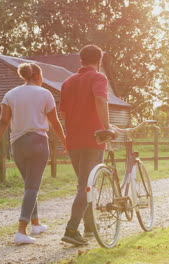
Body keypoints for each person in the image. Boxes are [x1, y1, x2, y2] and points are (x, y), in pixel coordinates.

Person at [0, 63, 66, 244]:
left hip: (18, 144)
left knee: (29, 184)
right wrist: (65, 141)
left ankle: (36, 224)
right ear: (38, 75)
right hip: (38, 142)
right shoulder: (45, 94)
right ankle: (21, 231)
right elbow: (54, 122)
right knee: (32, 186)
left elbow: (3, 122)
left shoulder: (10, 94)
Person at [59, 45, 113, 245]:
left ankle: (89, 227)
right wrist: (106, 127)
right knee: (85, 186)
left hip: (73, 140)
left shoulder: (67, 82)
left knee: (84, 184)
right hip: (94, 138)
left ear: (80, 60)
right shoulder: (99, 77)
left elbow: (63, 113)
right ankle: (71, 229)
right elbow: (100, 100)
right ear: (99, 60)